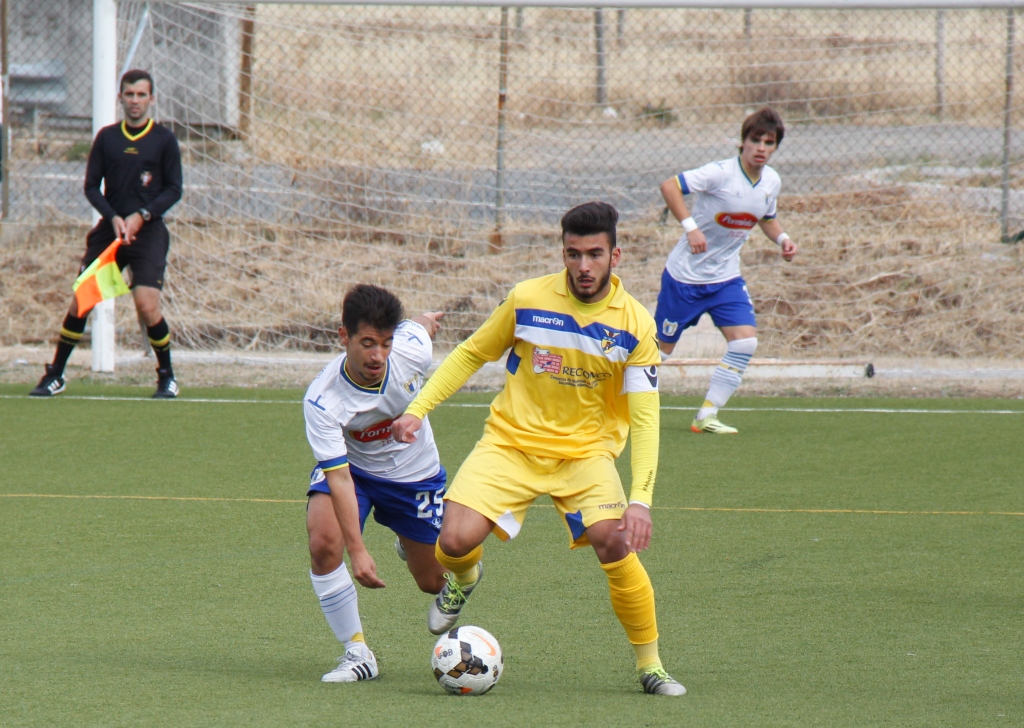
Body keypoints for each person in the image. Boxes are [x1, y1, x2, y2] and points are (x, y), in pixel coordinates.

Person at [392, 201, 686, 697]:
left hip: (585, 457)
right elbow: (471, 352)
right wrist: (417, 409)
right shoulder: (527, 299)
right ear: (563, 252)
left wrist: (641, 499)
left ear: (617, 255)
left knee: (615, 543)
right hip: (510, 444)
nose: (584, 266)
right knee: (453, 543)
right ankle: (464, 578)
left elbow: (646, 418)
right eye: (573, 254)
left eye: (595, 254)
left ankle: (651, 665)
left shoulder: (636, 326)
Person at [303, 284, 448, 683]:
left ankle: (407, 540)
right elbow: (339, 478)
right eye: (367, 343)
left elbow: (417, 328)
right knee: (323, 542)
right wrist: (358, 550)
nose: (378, 355)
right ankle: (357, 652)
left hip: (415, 475)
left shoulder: (411, 349)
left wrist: (426, 321)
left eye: (385, 343)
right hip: (357, 472)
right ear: (343, 337)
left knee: (432, 581)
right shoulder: (323, 401)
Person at [29, 69, 183, 398]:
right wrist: (113, 217)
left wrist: (143, 216)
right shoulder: (108, 138)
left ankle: (166, 375)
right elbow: (90, 186)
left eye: (142, 95)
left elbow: (174, 189)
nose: (135, 101)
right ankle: (56, 374)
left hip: (148, 233)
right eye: (130, 94)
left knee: (146, 304)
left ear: (152, 99)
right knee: (81, 301)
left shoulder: (164, 140)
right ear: (120, 98)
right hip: (111, 234)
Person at [656, 106, 798, 434]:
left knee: (745, 343)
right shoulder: (719, 173)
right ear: (742, 142)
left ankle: (706, 415)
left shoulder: (771, 182)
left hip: (725, 280)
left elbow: (766, 218)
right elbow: (669, 186)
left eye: (770, 142)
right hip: (685, 279)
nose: (762, 147)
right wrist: (691, 227)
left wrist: (784, 239)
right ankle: (610, 400)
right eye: (756, 140)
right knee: (658, 354)